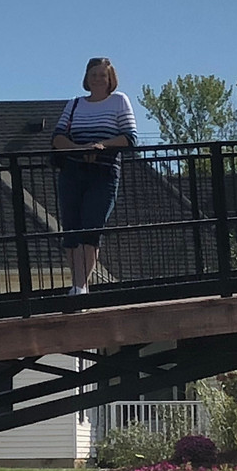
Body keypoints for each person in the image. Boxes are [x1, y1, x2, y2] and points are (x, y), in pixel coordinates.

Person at [51, 57, 137, 295]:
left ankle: (80, 286)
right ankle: (78, 284)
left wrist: (101, 146)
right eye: (94, 74)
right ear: (86, 78)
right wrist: (79, 149)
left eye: (102, 75)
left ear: (111, 79)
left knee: (92, 227)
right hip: (73, 172)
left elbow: (129, 137)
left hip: (104, 172)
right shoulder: (75, 104)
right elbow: (58, 137)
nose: (98, 79)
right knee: (71, 229)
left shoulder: (119, 101)